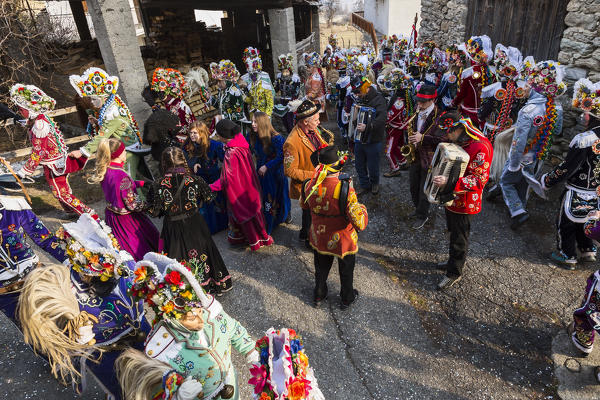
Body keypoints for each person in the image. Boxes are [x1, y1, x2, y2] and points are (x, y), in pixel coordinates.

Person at [18, 213, 150, 399]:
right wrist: (74, 334)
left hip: (145, 337)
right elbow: (59, 329)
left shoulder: (126, 263)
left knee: (157, 381)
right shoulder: (66, 289)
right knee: (125, 392)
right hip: (107, 356)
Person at [117, 253, 258, 400]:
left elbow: (233, 329)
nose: (200, 318)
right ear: (170, 316)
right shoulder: (162, 349)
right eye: (190, 317)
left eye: (198, 309)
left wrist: (251, 351)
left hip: (232, 387)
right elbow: (155, 392)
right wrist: (178, 395)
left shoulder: (208, 311)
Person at [147, 146, 232, 294]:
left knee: (177, 257)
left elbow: (154, 212)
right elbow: (209, 197)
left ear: (164, 163)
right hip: (195, 223)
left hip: (172, 225)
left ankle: (183, 290)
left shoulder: (157, 185)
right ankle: (210, 283)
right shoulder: (195, 180)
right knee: (202, 251)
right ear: (183, 161)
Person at [539, 78, 600, 269]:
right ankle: (587, 249)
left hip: (577, 190)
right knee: (587, 219)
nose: (583, 117)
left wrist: (547, 180)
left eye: (586, 113)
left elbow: (568, 167)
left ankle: (567, 255)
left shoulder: (585, 139)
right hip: (596, 192)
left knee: (566, 223)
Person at [301, 145, 368, 310]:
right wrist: (363, 208)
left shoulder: (308, 184)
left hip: (319, 235)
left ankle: (319, 293)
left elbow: (304, 205)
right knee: (346, 270)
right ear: (337, 168)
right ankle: (346, 297)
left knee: (321, 267)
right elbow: (360, 222)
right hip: (342, 237)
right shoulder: (344, 187)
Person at [499, 60, 564, 230]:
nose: (525, 89)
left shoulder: (528, 111)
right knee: (523, 181)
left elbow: (518, 141)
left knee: (506, 181)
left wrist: (513, 163)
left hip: (522, 154)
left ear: (535, 88)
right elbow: (556, 131)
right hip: (538, 155)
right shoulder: (554, 108)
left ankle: (518, 212)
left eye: (527, 85)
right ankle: (520, 209)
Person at [10, 84, 91, 216]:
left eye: (21, 109)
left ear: (30, 110)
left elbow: (38, 151)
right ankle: (71, 212)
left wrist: (24, 171)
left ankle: (87, 213)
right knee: (62, 191)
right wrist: (17, 118)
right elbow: (29, 124)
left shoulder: (40, 125)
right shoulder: (40, 119)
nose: (20, 111)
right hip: (56, 161)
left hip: (54, 165)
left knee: (60, 193)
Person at [0, 160, 67, 322]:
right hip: (5, 294)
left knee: (63, 321)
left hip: (35, 277)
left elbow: (45, 239)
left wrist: (68, 259)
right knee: (34, 336)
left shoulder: (14, 205)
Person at [432, 113, 493, 290]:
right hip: (452, 196)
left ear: (459, 130)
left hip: (466, 201)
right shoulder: (463, 140)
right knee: (452, 231)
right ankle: (453, 261)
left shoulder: (481, 147)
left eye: (448, 134)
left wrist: (449, 183)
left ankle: (454, 273)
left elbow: (479, 180)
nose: (446, 138)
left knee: (460, 237)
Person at [88, 138, 159, 260]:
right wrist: (150, 206)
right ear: (118, 154)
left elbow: (119, 188)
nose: (125, 153)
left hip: (112, 215)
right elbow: (132, 204)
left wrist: (139, 183)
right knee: (141, 249)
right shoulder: (121, 175)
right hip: (127, 220)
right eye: (124, 151)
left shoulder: (107, 169)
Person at [210, 119, 274, 251]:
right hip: (249, 184)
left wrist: (210, 187)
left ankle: (253, 240)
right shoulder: (241, 141)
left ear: (223, 136)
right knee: (253, 210)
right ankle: (261, 237)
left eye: (218, 134)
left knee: (244, 213)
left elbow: (226, 179)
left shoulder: (231, 153)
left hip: (239, 189)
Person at [283, 99, 333, 246]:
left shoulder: (312, 129)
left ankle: (305, 234)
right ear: (305, 122)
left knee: (313, 215)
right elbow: (289, 170)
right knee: (310, 215)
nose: (319, 122)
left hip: (319, 183)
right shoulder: (291, 142)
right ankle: (309, 241)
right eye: (316, 120)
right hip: (308, 187)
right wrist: (316, 175)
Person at [408, 84, 443, 229]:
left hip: (429, 159)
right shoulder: (417, 111)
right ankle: (418, 210)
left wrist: (423, 138)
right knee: (413, 186)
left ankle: (423, 214)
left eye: (423, 101)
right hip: (415, 155)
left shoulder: (440, 117)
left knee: (424, 189)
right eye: (418, 100)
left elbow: (444, 139)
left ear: (433, 100)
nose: (419, 103)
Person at [183, 120, 228, 234]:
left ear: (202, 133)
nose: (192, 135)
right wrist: (193, 163)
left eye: (195, 133)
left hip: (214, 177)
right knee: (204, 204)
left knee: (217, 202)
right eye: (191, 133)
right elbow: (184, 159)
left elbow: (225, 159)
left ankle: (222, 224)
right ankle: (209, 228)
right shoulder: (188, 145)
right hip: (199, 178)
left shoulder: (214, 145)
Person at [250, 111, 291, 234]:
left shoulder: (276, 138)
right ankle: (267, 221)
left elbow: (281, 156)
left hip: (275, 173)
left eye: (255, 122)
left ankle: (282, 216)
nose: (252, 124)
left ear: (262, 123)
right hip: (262, 174)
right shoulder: (254, 136)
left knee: (278, 196)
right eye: (252, 121)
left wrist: (267, 166)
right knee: (265, 196)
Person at [349, 75, 387, 195]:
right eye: (355, 92)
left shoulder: (379, 99)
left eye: (358, 91)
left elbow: (382, 119)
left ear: (366, 87)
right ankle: (365, 185)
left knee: (373, 165)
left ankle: (374, 183)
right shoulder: (361, 99)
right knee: (359, 164)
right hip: (360, 138)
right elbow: (357, 118)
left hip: (374, 139)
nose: (357, 95)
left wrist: (368, 126)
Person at [451, 35, 495, 129]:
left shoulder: (468, 73)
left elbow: (462, 93)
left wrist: (454, 103)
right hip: (484, 113)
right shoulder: (492, 72)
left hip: (469, 113)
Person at [383, 68, 415, 177]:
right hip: (400, 127)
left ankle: (395, 169)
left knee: (388, 151)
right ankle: (403, 162)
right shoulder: (403, 99)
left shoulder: (399, 102)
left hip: (395, 128)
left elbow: (390, 115)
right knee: (398, 146)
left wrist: (380, 121)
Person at [150, 67, 196, 133]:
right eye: (158, 92)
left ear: (171, 92)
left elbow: (185, 128)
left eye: (163, 92)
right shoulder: (169, 105)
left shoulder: (181, 107)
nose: (160, 95)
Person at [240, 47, 274, 117]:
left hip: (264, 112)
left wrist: (267, 114)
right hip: (253, 113)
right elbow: (250, 99)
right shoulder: (244, 78)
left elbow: (272, 94)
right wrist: (243, 96)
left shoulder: (265, 76)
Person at [273, 53, 302, 133]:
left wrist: (293, 102)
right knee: (284, 119)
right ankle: (289, 133)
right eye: (283, 71)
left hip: (291, 101)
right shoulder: (279, 79)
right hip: (282, 101)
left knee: (290, 119)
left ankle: (293, 134)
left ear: (290, 70)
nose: (284, 73)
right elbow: (276, 89)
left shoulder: (295, 79)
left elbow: (297, 92)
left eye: (286, 71)